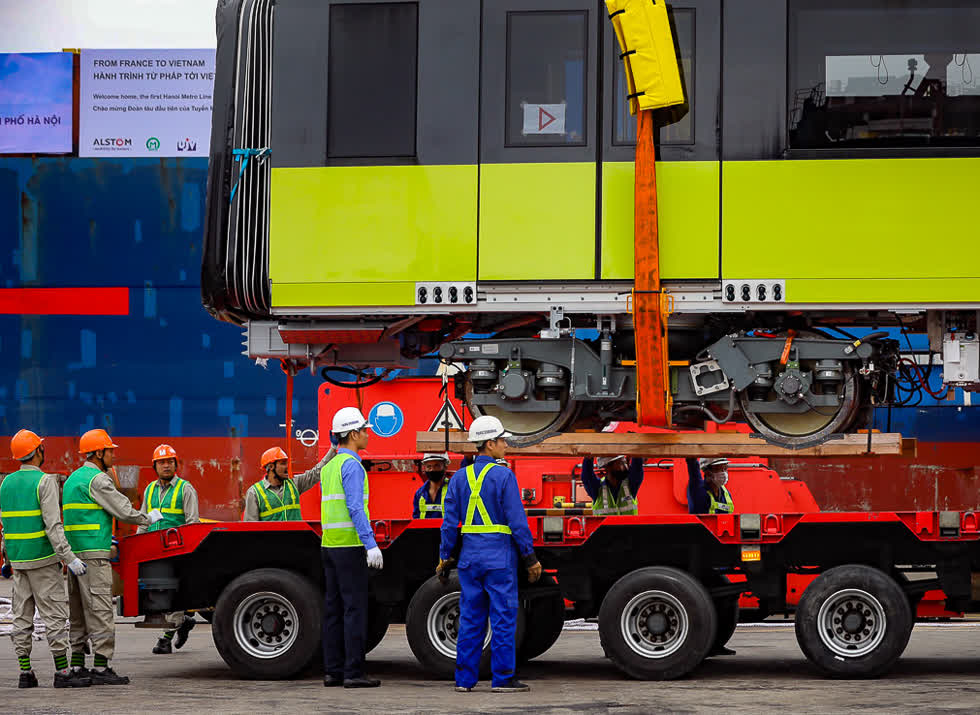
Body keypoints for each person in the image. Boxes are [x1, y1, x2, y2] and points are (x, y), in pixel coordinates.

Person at [437, 415, 541, 694]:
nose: (506, 445)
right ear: (490, 443)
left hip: (470, 559)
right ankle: (503, 679)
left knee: (471, 619)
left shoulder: (459, 478)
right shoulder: (504, 475)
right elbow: (517, 521)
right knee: (503, 618)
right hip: (498, 560)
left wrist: (445, 557)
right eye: (502, 440)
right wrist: (530, 558)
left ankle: (464, 680)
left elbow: (448, 524)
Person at [63, 429, 164, 685]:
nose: (113, 455)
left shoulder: (73, 479)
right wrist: (148, 518)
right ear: (98, 453)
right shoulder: (98, 479)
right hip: (95, 557)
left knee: (77, 613)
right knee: (101, 612)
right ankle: (100, 667)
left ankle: (76, 667)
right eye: (110, 451)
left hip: (75, 557)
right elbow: (123, 511)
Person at [0, 430, 92, 688]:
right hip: (42, 559)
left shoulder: (5, 483)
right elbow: (53, 526)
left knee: (21, 618)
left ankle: (25, 673)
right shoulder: (44, 482)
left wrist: (7, 558)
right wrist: (69, 558)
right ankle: (62, 673)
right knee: (54, 617)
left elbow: (5, 525)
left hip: (18, 561)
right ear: (38, 451)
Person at [320, 407, 383, 689]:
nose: (367, 434)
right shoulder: (352, 465)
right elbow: (356, 507)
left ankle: (333, 671)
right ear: (354, 433)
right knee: (354, 610)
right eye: (364, 430)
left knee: (333, 610)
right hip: (350, 546)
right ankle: (354, 673)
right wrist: (371, 544)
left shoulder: (330, 466)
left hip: (329, 546)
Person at [138, 444, 201, 654]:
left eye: (170, 461)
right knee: (160, 595)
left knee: (173, 594)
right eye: (162, 462)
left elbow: (193, 523)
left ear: (176, 464)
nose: (166, 465)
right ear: (154, 466)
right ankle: (184, 622)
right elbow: (143, 521)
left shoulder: (186, 488)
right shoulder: (149, 490)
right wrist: (137, 545)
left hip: (177, 550)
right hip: (155, 550)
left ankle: (165, 638)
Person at [243, 444, 334, 521]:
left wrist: (333, 449)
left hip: (296, 541)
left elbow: (316, 473)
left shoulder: (294, 484)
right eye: (283, 463)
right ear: (271, 467)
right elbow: (250, 528)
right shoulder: (254, 493)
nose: (287, 467)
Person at [412, 453, 451, 519]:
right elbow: (416, 518)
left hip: (447, 529)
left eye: (437, 466)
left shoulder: (453, 490)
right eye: (429, 466)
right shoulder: (419, 494)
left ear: (445, 467)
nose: (432, 470)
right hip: (424, 529)